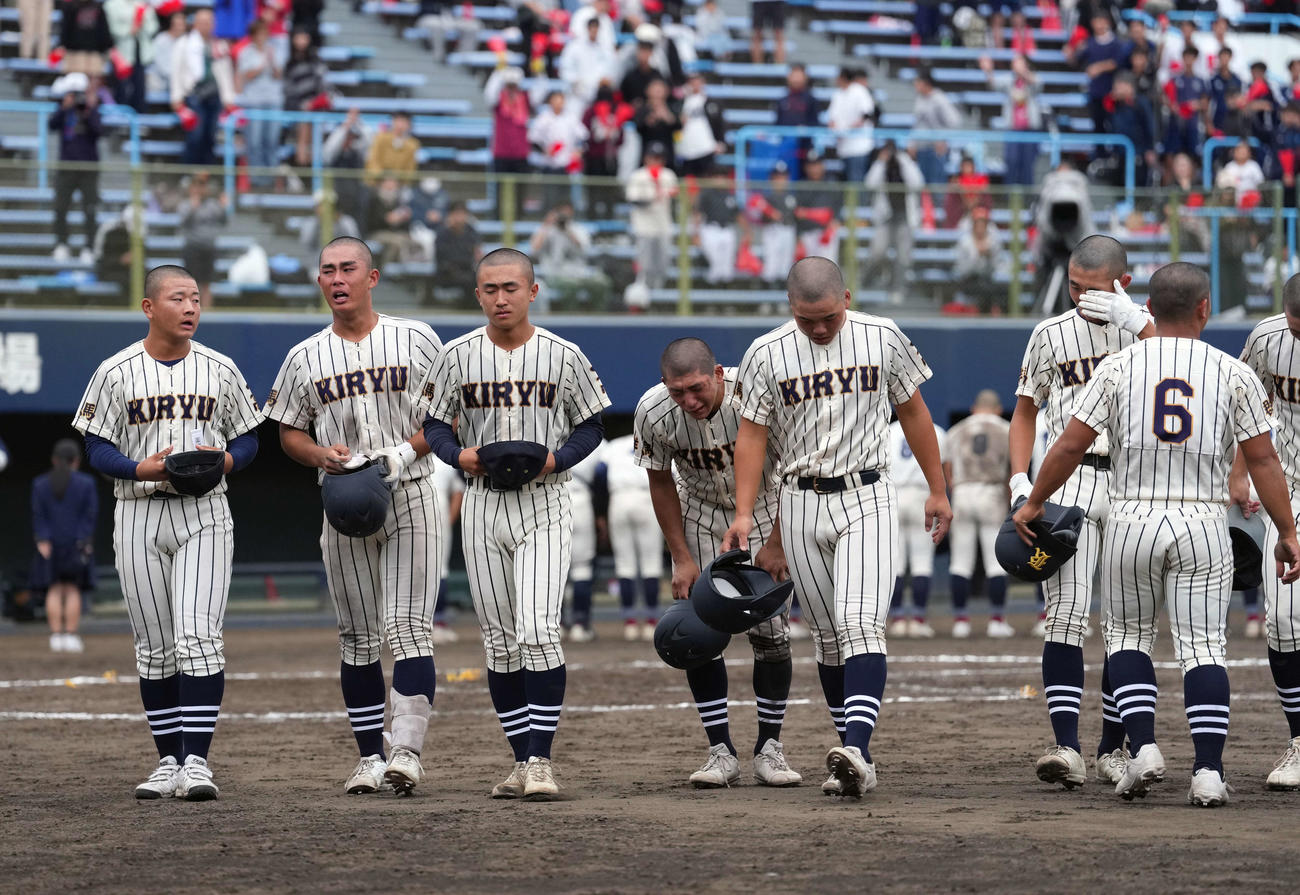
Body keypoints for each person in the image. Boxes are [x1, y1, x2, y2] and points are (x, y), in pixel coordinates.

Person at [1015, 262, 1300, 807]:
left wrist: (1032, 500)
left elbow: (1071, 445)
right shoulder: (1230, 371)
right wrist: (1286, 530)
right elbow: (1262, 459)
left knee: (1126, 638)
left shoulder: (1119, 367)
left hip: (1133, 515)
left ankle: (1143, 748)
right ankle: (1209, 772)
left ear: (1147, 304)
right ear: (1204, 308)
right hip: (1202, 517)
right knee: (1203, 649)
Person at [723, 256, 952, 799]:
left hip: (868, 492)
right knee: (827, 640)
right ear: (790, 309)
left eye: (827, 315)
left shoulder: (882, 335)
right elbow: (752, 437)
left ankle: (858, 751)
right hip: (800, 499)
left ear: (846, 297)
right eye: (807, 319)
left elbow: (914, 412)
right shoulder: (766, 351)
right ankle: (849, 749)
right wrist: (743, 512)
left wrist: (938, 487)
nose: (820, 327)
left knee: (859, 624)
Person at [420, 248, 610, 801]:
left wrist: (556, 460)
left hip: (545, 499)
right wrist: (458, 457)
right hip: (483, 501)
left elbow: (591, 424)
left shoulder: (563, 354)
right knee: (500, 642)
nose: (500, 298)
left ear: (532, 290)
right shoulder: (456, 356)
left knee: (538, 630)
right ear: (477, 294)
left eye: (510, 287)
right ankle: (521, 759)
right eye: (489, 289)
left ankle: (541, 761)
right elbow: (434, 425)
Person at [72, 264, 262, 800]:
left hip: (204, 512)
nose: (191, 308)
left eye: (196, 299)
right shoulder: (116, 371)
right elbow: (97, 446)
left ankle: (196, 761)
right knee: (155, 648)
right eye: (179, 298)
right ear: (150, 307)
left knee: (197, 639)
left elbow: (248, 438)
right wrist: (140, 469)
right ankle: (168, 762)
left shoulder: (219, 368)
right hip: (139, 511)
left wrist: (226, 459)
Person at [266, 236, 445, 796]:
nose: (337, 279)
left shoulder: (415, 337)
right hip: (342, 500)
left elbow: (447, 414)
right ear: (319, 282)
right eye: (327, 271)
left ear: (372, 277)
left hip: (410, 488)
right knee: (357, 637)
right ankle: (370, 755)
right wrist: (318, 454)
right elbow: (289, 430)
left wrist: (407, 450)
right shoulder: (304, 356)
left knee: (409, 628)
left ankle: (407, 752)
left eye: (348, 269)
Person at [1008, 234, 1154, 792]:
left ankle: (1112, 749)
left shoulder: (1148, 331)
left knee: (1125, 620)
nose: (1079, 297)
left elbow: (1185, 358)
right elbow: (1025, 409)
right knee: (1066, 612)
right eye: (1073, 285)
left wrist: (1136, 321)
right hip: (1065, 482)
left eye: (1091, 289)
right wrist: (1022, 478)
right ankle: (1066, 747)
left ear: (1124, 281)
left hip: (1131, 481)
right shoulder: (1049, 332)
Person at [634, 337, 801, 786]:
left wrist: (778, 541)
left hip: (769, 508)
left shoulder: (758, 392)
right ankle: (720, 752)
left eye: (697, 389)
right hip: (701, 514)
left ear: (719, 374)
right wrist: (680, 557)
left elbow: (793, 467)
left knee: (770, 632)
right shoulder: (653, 411)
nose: (689, 401)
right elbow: (661, 481)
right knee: (699, 634)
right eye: (677, 392)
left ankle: (770, 748)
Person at [1232, 273, 1300, 789]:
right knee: (1283, 621)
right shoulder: (1266, 337)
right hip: (1290, 485)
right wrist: (1239, 472)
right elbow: (1244, 408)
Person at [944, 389, 1013, 638]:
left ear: (975, 407)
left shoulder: (957, 430)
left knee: (961, 561)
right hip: (992, 491)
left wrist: (954, 488)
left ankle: (960, 621)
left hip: (963, 491)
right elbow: (1013, 468)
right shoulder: (1006, 429)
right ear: (997, 408)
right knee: (995, 563)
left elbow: (947, 465)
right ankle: (996, 620)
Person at [30, 439, 98, 654]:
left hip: (49, 545)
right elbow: (90, 515)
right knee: (72, 589)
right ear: (76, 461)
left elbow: (38, 515)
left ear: (54, 460)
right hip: (76, 544)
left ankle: (56, 636)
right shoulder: (87, 483)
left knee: (54, 589)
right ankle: (70, 635)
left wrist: (42, 540)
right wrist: (85, 541)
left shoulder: (40, 483)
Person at [594, 435, 663, 641]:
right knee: (651, 562)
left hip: (620, 499)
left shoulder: (614, 445)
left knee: (625, 564)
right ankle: (651, 622)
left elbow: (600, 475)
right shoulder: (654, 440)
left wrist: (600, 510)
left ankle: (630, 623)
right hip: (647, 498)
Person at [886, 417, 945, 639]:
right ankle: (919, 620)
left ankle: (899, 619)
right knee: (922, 562)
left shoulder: (887, 430)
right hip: (923, 495)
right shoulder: (936, 430)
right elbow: (944, 469)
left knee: (896, 562)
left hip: (893, 495)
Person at [170, 8, 235, 166]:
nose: (206, 26)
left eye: (209, 22)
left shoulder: (219, 45)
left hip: (214, 96)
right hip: (194, 95)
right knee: (195, 136)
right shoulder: (184, 44)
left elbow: (225, 74)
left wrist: (229, 98)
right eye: (202, 22)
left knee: (211, 137)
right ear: (195, 24)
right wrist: (176, 97)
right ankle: (188, 173)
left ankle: (205, 175)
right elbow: (176, 72)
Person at [49, 73, 102, 267]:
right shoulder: (64, 110)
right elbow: (51, 125)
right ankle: (61, 243)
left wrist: (88, 110)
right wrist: (65, 107)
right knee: (60, 207)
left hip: (88, 168)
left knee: (90, 210)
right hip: (67, 167)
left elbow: (98, 131)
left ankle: (89, 247)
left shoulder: (92, 109)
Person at [863, 141, 923, 303]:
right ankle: (867, 282)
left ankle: (898, 289)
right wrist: (881, 161)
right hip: (885, 218)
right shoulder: (881, 165)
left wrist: (904, 159)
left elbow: (918, 183)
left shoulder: (905, 163)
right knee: (877, 252)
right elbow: (870, 183)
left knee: (903, 257)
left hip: (904, 217)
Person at [981, 54, 1045, 187]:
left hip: (1030, 130)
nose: (1015, 65)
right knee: (1011, 162)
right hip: (1013, 130)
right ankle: (1010, 198)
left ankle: (1028, 200)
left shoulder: (1032, 79)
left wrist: (1023, 72)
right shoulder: (1009, 80)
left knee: (1028, 165)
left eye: (1019, 62)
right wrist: (988, 70)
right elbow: (993, 84)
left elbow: (1039, 84)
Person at [235, 20, 283, 190]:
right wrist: (262, 64)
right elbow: (246, 75)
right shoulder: (246, 53)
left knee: (271, 140)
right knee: (254, 142)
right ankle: (257, 179)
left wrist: (272, 61)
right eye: (260, 33)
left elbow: (279, 75)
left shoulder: (275, 50)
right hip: (253, 102)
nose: (263, 37)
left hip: (273, 101)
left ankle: (271, 179)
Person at [626, 142, 678, 294]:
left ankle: (660, 291)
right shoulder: (638, 175)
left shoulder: (668, 175)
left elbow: (675, 196)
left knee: (663, 261)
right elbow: (633, 199)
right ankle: (643, 290)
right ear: (646, 158)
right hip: (644, 226)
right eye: (653, 157)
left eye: (659, 158)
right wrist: (652, 198)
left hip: (663, 225)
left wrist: (666, 194)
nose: (656, 161)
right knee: (645, 263)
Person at [528, 91, 588, 213]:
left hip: (566, 165)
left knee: (565, 199)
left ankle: (564, 224)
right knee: (549, 197)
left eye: (561, 101)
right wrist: (543, 150)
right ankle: (549, 223)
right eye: (556, 101)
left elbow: (584, 137)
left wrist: (578, 150)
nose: (558, 104)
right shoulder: (543, 118)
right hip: (549, 164)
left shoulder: (571, 118)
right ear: (550, 102)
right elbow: (532, 139)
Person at [565, 448, 602, 642]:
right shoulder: (595, 439)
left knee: (551, 566)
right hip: (581, 500)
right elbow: (604, 474)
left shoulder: (547, 429)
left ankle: (557, 625)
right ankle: (580, 624)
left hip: (551, 499)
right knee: (582, 568)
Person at [178, 171, 229, 309]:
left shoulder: (212, 204)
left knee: (207, 284)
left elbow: (223, 221)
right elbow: (183, 222)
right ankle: (190, 312)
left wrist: (224, 208)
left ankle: (207, 313)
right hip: (192, 248)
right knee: (191, 284)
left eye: (202, 185)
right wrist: (193, 207)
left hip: (209, 248)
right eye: (197, 185)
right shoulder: (186, 204)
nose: (200, 189)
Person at [485, 66, 531, 215]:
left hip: (520, 153)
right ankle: (498, 218)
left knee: (520, 192)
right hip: (501, 152)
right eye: (508, 85)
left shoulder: (525, 99)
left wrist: (539, 72)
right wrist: (498, 73)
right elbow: (489, 94)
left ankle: (518, 219)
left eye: (514, 85)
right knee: (499, 191)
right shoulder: (498, 100)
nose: (511, 89)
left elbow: (540, 92)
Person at [281, 28, 328, 169]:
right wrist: (302, 104)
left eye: (304, 38)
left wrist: (316, 101)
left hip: (317, 105)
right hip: (300, 107)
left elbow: (323, 81)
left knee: (316, 138)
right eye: (298, 38)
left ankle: (315, 169)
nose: (301, 42)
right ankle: (303, 167)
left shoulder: (315, 59)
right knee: (303, 131)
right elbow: (288, 88)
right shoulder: (290, 62)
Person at [430, 458, 464, 644]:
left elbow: (459, 491)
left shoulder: (409, 454)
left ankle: (432, 623)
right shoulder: (446, 459)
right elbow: (459, 492)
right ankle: (439, 623)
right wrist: (448, 521)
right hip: (437, 506)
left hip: (416, 506)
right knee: (440, 568)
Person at [1077, 13, 1128, 136]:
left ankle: (1115, 153)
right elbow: (1077, 59)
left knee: (1115, 124)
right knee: (1097, 124)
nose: (1098, 25)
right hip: (1095, 91)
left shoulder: (1116, 43)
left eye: (1101, 21)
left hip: (1111, 92)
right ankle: (1100, 152)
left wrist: (1099, 68)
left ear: (1107, 22)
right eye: (1096, 21)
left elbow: (1117, 62)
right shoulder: (1090, 42)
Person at [104, 0, 158, 110]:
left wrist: (141, 25)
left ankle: (139, 119)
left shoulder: (143, 4)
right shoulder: (111, 4)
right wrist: (130, 30)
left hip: (140, 52)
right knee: (121, 88)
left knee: (139, 88)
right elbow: (110, 28)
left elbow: (153, 27)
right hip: (120, 54)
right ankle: (119, 122)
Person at [826, 67, 875, 185]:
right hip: (843, 146)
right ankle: (851, 204)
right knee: (847, 181)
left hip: (859, 145)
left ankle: (860, 204)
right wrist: (836, 129)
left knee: (856, 180)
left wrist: (850, 128)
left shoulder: (859, 91)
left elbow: (867, 114)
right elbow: (832, 118)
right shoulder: (837, 94)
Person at [911, 68, 961, 184]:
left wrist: (942, 139)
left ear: (925, 83)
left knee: (936, 184)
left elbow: (954, 121)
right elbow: (917, 124)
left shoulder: (939, 99)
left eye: (918, 82)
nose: (915, 85)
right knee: (921, 183)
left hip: (935, 150)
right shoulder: (919, 99)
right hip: (921, 148)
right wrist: (912, 143)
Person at [558, 14, 617, 109]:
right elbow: (565, 68)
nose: (594, 30)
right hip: (577, 94)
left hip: (598, 95)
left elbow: (610, 69)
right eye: (592, 27)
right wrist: (576, 81)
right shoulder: (574, 47)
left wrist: (605, 80)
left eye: (596, 27)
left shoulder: (605, 48)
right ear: (587, 28)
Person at [1163, 46, 1209, 163]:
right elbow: (1165, 97)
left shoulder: (1200, 81)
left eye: (1191, 57)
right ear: (1183, 59)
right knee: (1170, 156)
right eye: (1186, 57)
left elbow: (1205, 103)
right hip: (1176, 123)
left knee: (1193, 157)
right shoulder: (1174, 78)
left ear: (1195, 60)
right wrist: (1171, 105)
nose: (1189, 60)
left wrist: (1196, 105)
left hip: (1192, 124)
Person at [795, 151, 843, 264]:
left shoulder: (832, 184)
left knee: (827, 269)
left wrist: (836, 220)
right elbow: (797, 213)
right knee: (808, 271)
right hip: (807, 233)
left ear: (822, 165)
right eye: (811, 165)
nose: (814, 169)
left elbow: (838, 205)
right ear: (806, 167)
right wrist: (798, 237)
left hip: (826, 233)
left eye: (816, 165)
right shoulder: (801, 186)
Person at [953, 207, 1003, 313]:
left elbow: (995, 267)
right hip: (968, 280)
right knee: (984, 290)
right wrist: (977, 255)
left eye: (983, 223)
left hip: (986, 280)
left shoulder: (992, 242)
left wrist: (989, 256)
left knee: (1000, 291)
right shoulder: (965, 242)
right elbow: (962, 269)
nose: (980, 226)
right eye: (978, 223)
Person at [433, 201, 482, 306]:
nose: (459, 218)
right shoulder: (442, 233)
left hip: (467, 270)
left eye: (462, 214)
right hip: (448, 272)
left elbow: (477, 252)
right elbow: (443, 258)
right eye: (456, 214)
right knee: (467, 280)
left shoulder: (471, 232)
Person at [678, 72, 725, 177]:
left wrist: (720, 141)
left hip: (706, 147)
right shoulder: (682, 102)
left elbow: (719, 123)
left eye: (697, 80)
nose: (695, 84)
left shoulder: (711, 102)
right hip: (687, 148)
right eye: (692, 81)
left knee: (706, 177)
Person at [695, 175, 741, 284]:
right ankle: (709, 289)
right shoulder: (707, 194)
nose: (720, 181)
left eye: (723, 177)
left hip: (727, 229)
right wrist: (696, 233)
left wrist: (748, 232)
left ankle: (725, 292)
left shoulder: (730, 196)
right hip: (711, 229)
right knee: (714, 263)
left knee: (727, 267)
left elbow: (738, 214)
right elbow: (698, 214)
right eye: (718, 177)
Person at [634, 77, 680, 168]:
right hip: (647, 151)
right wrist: (649, 120)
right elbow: (638, 127)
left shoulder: (672, 106)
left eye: (660, 88)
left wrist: (667, 116)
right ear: (648, 90)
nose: (657, 92)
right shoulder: (643, 108)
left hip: (667, 152)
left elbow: (678, 126)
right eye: (655, 88)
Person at [61, 0, 113, 77]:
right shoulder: (71, 8)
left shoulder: (98, 8)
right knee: (74, 84)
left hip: (94, 55)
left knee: (92, 84)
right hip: (74, 55)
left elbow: (104, 32)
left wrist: (106, 47)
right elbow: (65, 30)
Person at [365, 112, 420, 184]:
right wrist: (382, 178)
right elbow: (373, 161)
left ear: (409, 125)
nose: (400, 125)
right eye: (398, 121)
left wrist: (397, 180)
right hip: (377, 182)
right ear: (393, 122)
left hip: (399, 184)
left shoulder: (412, 145)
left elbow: (410, 169)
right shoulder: (380, 138)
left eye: (404, 121)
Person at [148, 11, 187, 93]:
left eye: (182, 24)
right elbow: (163, 68)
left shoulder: (186, 40)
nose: (181, 27)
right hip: (160, 81)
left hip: (179, 81)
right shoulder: (161, 40)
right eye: (178, 24)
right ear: (171, 24)